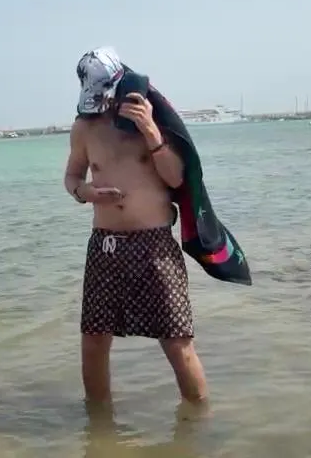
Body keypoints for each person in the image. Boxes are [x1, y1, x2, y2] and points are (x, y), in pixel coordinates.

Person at [63, 46, 209, 408]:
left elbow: (176, 178)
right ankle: (98, 421)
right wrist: (85, 192)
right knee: (94, 340)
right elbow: (72, 177)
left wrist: (150, 131)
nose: (105, 104)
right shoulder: (84, 128)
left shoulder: (153, 120)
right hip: (106, 246)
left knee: (177, 340)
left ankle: (199, 421)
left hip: (155, 245)